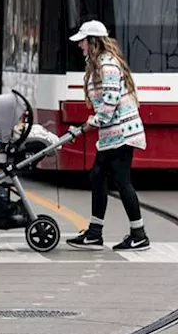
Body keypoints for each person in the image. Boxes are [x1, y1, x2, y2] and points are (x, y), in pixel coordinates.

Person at [64, 20, 150, 252]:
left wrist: (90, 124)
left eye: (82, 40)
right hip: (112, 134)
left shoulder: (108, 65)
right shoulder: (99, 64)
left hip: (122, 133)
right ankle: (95, 233)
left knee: (121, 181)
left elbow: (110, 101)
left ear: (93, 41)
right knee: (98, 176)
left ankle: (138, 234)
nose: (79, 45)